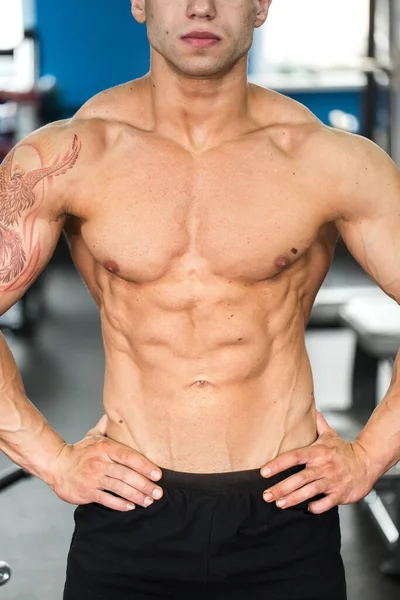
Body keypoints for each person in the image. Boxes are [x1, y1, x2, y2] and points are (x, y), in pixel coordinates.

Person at [0, 0, 399, 598]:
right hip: (129, 510)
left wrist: (369, 457)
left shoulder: (331, 161)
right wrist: (54, 460)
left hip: (285, 512)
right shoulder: (66, 160)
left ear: (262, 5)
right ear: (139, 3)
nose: (200, 6)